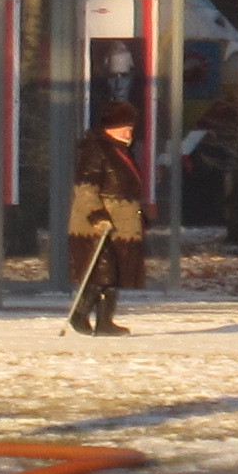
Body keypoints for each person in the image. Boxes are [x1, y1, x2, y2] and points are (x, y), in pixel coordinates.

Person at [69, 97, 147, 335]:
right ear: (109, 127)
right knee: (103, 273)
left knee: (111, 274)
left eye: (131, 127)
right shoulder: (96, 151)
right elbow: (86, 189)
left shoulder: (121, 151)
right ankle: (82, 315)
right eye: (124, 126)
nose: (128, 131)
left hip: (118, 225)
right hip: (96, 226)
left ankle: (102, 321)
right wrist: (97, 215)